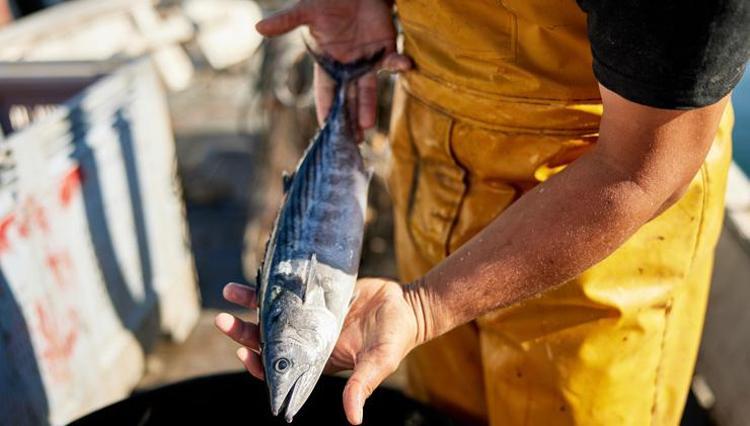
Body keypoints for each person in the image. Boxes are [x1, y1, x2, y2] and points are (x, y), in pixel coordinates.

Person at [216, 1, 750, 424]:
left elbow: (642, 170)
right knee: (444, 412)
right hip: (432, 168)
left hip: (597, 231)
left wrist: (426, 308)